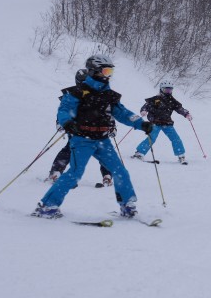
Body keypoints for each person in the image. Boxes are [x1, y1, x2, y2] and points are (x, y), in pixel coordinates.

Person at [32, 55, 154, 219]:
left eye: (111, 71)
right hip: (82, 139)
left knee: (120, 171)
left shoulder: (109, 95)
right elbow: (64, 109)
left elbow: (123, 113)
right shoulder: (77, 92)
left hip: (103, 140)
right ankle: (47, 206)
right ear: (94, 71)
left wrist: (140, 123)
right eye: (106, 71)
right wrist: (67, 122)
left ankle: (127, 204)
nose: (109, 75)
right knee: (75, 173)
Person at [46, 69, 113, 186]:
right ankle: (55, 172)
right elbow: (63, 110)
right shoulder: (72, 95)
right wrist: (61, 123)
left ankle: (107, 175)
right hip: (77, 129)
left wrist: (112, 126)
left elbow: (107, 113)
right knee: (70, 149)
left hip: (97, 129)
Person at [131, 81, 193, 165]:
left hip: (167, 123)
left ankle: (181, 156)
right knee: (152, 137)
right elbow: (145, 106)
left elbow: (180, 109)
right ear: (161, 89)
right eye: (166, 90)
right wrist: (144, 111)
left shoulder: (172, 100)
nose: (168, 92)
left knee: (175, 138)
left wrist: (186, 114)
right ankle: (139, 153)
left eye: (170, 90)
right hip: (155, 122)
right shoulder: (155, 99)